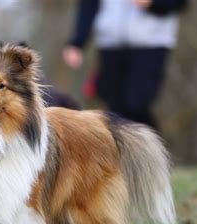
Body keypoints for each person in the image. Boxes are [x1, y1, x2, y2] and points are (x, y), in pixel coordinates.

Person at [63, 0, 187, 128]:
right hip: (110, 44)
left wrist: (153, 3)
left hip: (151, 45)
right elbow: (89, 4)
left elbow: (180, 3)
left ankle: (151, 145)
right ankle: (122, 146)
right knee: (114, 109)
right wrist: (77, 41)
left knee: (136, 105)